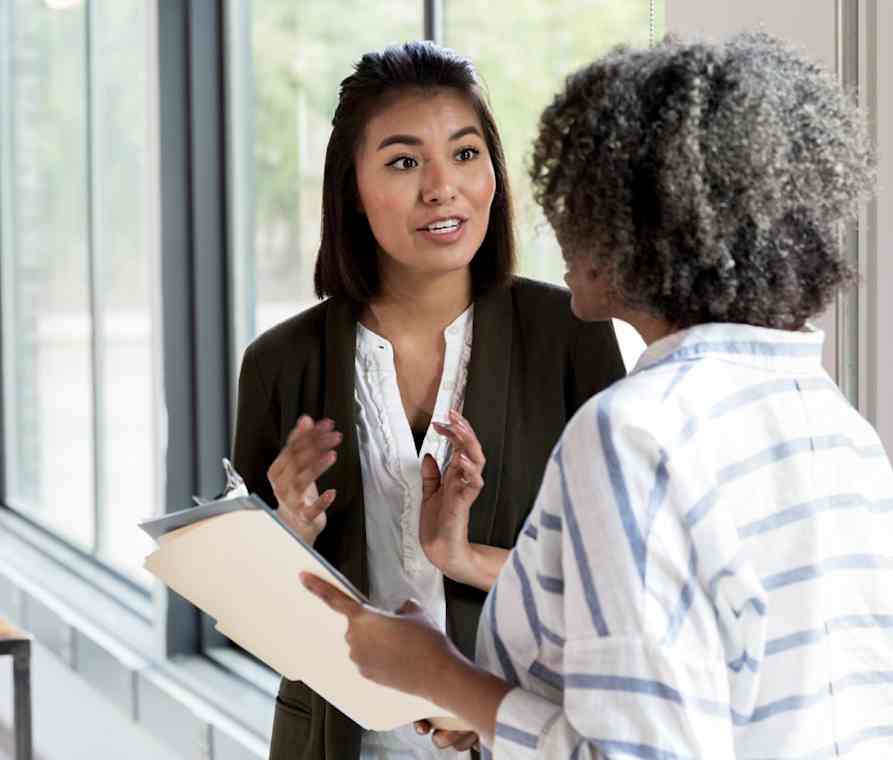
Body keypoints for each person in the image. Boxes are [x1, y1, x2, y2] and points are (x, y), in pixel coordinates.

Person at [302, 33, 893, 759]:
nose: (556, 220)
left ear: (647, 225)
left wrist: (438, 673)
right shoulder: (841, 431)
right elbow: (725, 698)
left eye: (580, 195)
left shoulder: (634, 435)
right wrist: (490, 710)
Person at [231, 41, 626, 760]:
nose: (442, 187)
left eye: (466, 154)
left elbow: (616, 583)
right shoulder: (278, 364)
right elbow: (254, 627)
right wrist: (289, 534)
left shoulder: (572, 336)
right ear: (352, 187)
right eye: (405, 161)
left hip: (523, 735)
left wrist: (467, 554)